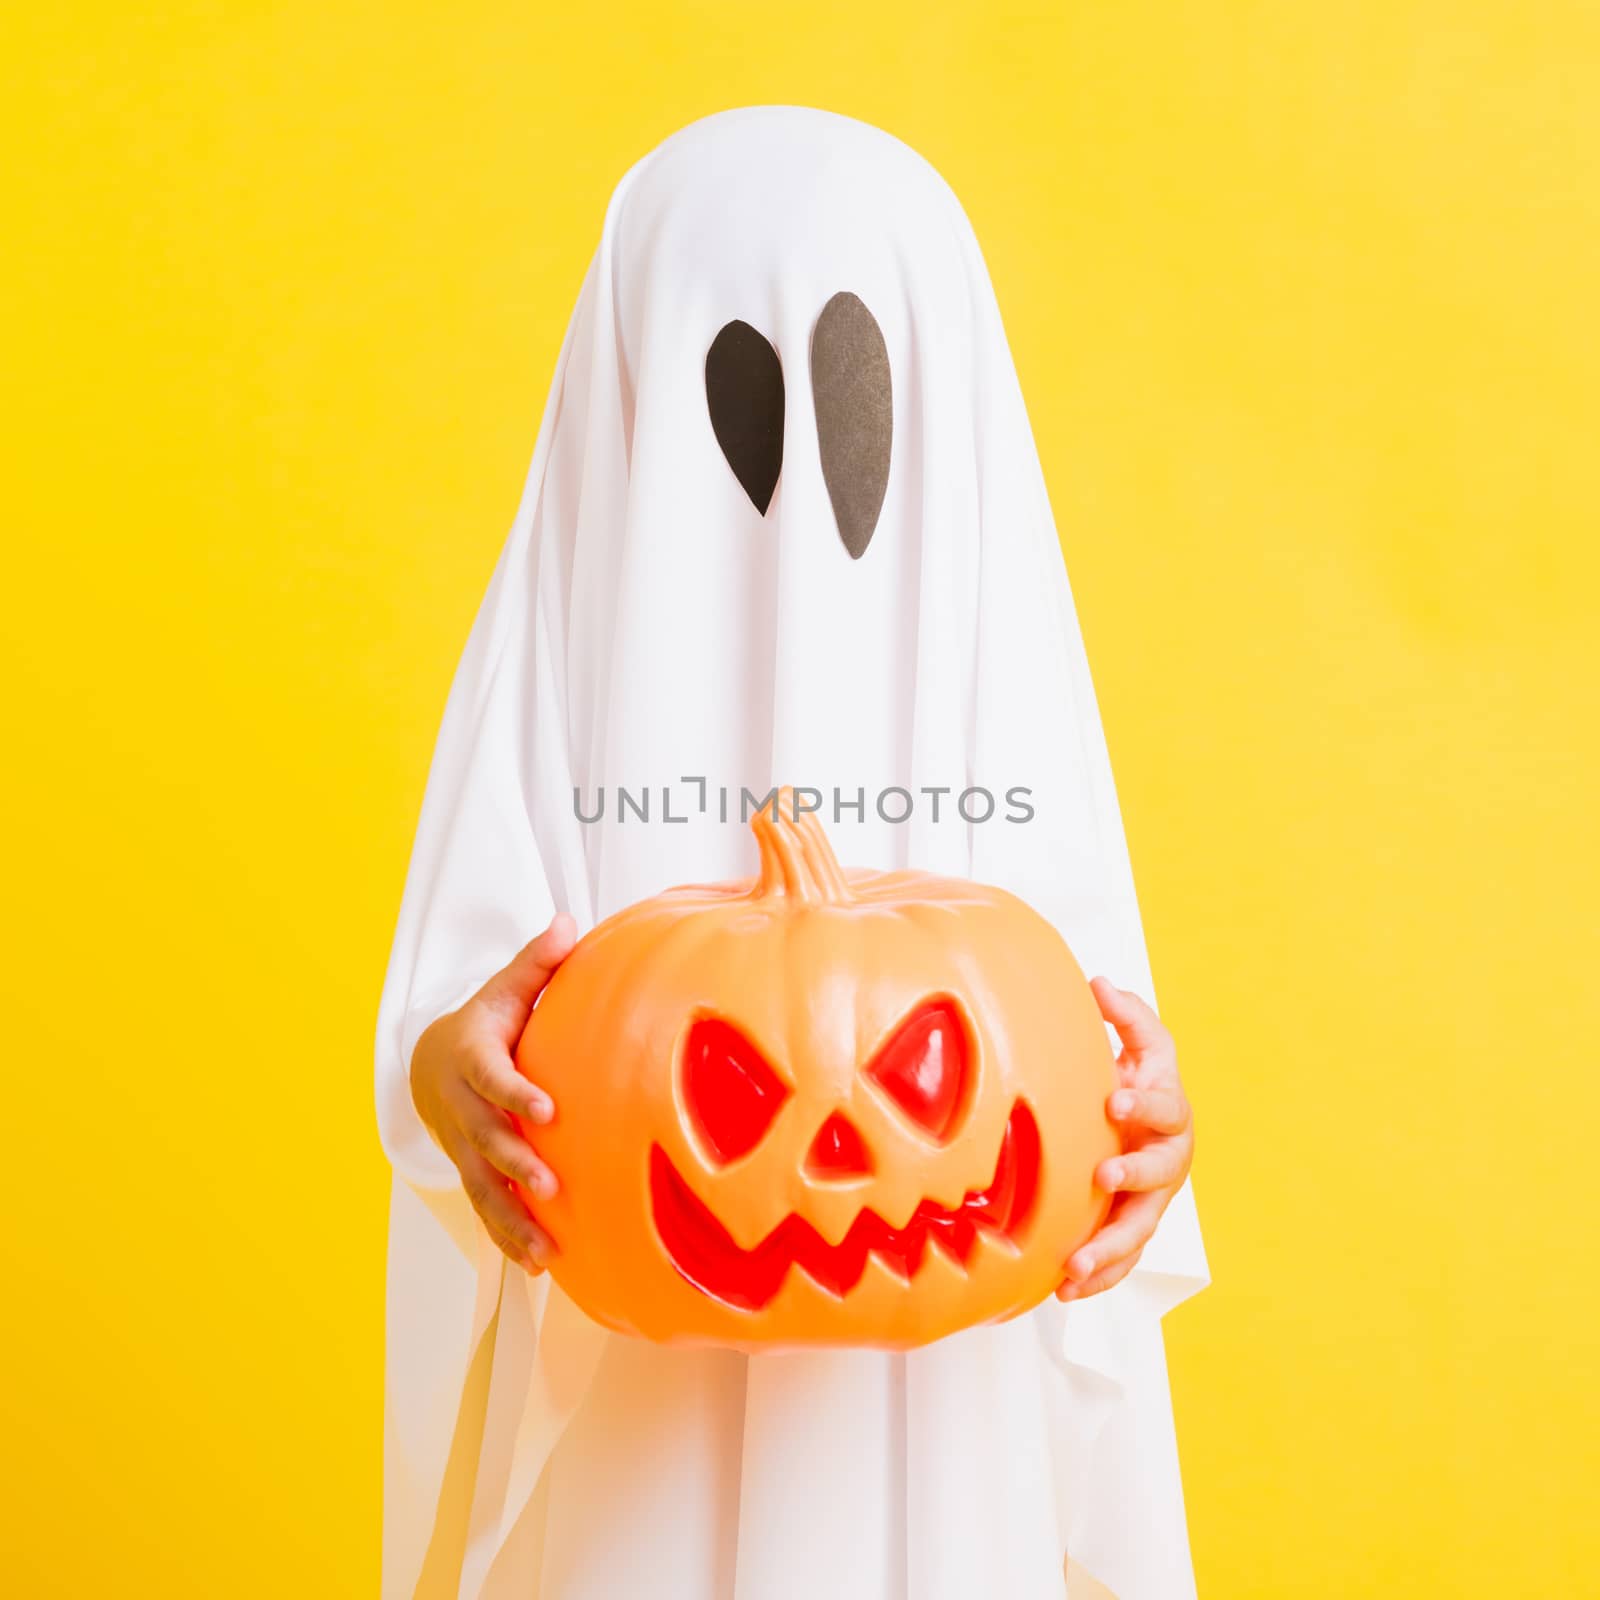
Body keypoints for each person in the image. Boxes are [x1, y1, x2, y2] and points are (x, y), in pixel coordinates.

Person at [377, 106, 1205, 1600]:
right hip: (637, 1388)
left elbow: (1093, 1061)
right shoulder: (553, 663)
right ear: (625, 399)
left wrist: (1146, 1133)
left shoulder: (1002, 681)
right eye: (732, 384)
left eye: (854, 385)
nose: (800, 477)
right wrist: (446, 1068)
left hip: (945, 1391)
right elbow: (446, 1021)